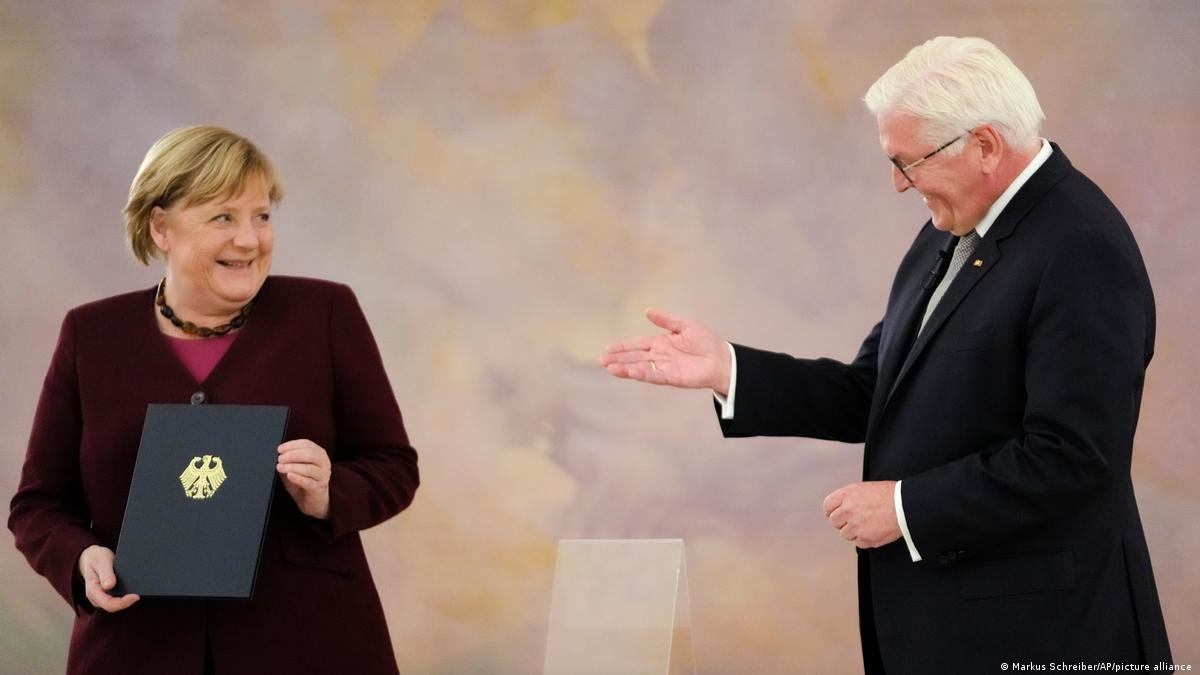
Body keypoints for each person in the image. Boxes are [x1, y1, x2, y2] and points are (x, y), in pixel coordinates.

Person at [600, 36, 1172, 673]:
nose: (898, 184)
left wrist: (903, 508)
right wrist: (729, 368)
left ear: (985, 145)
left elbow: (1074, 456)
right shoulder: (953, 226)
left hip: (1042, 636)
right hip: (956, 629)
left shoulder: (1081, 247)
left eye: (909, 162)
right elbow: (878, 391)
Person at [8, 125, 419, 675]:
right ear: (161, 227)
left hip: (310, 644)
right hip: (137, 649)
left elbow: (394, 466)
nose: (249, 239)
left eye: (261, 216)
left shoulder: (325, 314)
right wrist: (81, 559)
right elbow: (38, 505)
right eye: (223, 217)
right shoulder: (91, 335)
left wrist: (328, 494)